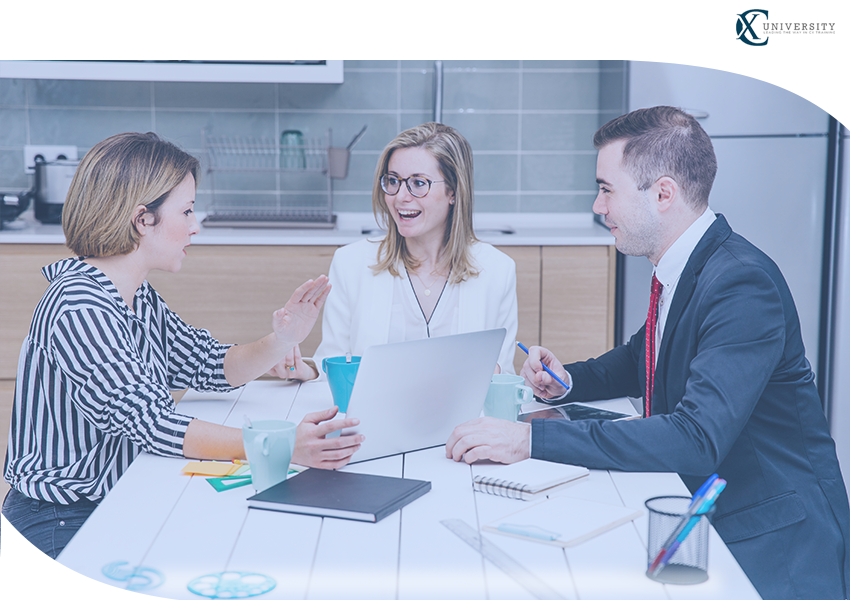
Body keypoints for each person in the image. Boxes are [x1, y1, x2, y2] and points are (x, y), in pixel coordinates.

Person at [446, 106, 850, 599]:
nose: (598, 205)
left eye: (606, 189)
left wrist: (530, 440)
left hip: (776, 544)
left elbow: (696, 437)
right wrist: (567, 380)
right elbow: (643, 356)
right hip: (703, 513)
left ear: (662, 194)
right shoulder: (687, 267)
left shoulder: (741, 284)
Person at [2, 132, 363, 558]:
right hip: (58, 517)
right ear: (143, 219)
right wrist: (280, 446)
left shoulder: (134, 294)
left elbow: (209, 364)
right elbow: (153, 424)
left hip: (115, 497)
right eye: (187, 210)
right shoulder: (80, 306)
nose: (196, 225)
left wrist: (282, 338)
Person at [281, 122, 518, 380]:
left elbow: (504, 378)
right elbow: (332, 363)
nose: (401, 196)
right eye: (393, 181)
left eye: (418, 183)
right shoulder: (350, 263)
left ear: (453, 191)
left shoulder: (498, 270)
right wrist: (302, 369)